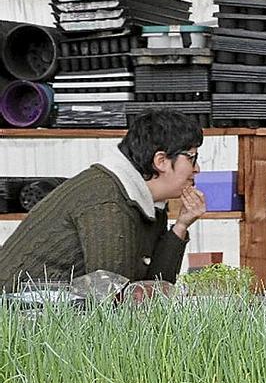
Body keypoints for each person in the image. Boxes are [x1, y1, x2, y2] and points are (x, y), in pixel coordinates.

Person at [0, 108, 206, 293]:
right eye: (191, 158)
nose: (197, 169)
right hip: (19, 318)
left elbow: (154, 289)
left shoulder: (146, 201)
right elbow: (110, 300)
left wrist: (181, 226)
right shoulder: (108, 201)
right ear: (161, 161)